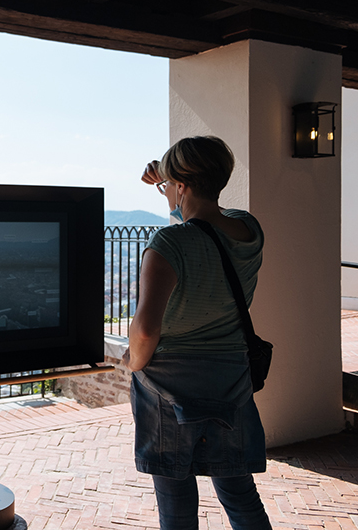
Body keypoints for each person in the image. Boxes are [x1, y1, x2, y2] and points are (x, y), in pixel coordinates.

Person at [121, 135, 271, 530]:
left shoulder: (168, 242)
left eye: (170, 185)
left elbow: (146, 328)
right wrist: (170, 185)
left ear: (182, 186)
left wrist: (132, 364)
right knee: (240, 495)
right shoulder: (248, 230)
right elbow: (204, 226)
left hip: (170, 385)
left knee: (176, 504)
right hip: (231, 379)